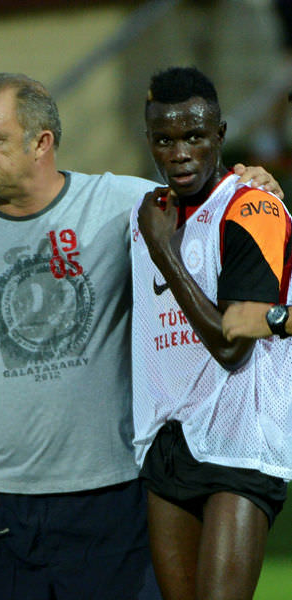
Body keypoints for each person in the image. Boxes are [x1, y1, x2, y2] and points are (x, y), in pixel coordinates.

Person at [0, 71, 281, 600]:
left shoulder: (126, 203)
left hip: (112, 496)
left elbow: (210, 195)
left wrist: (254, 185)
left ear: (41, 142)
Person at [131, 66, 292, 600]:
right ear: (149, 140)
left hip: (240, 440)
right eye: (164, 140)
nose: (180, 153)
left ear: (220, 135)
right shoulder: (146, 213)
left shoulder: (253, 208)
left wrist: (165, 252)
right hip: (169, 440)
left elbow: (230, 344)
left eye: (195, 137)